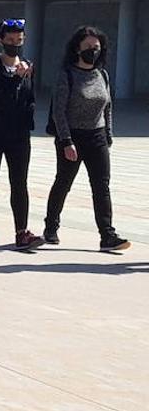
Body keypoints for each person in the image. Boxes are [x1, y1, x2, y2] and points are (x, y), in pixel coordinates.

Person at [44, 26, 129, 252]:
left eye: (97, 48)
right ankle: (51, 227)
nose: (93, 51)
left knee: (101, 186)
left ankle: (107, 235)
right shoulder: (68, 75)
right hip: (72, 137)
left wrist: (108, 136)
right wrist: (66, 141)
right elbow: (58, 112)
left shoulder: (102, 75)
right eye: (88, 47)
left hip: (97, 136)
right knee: (64, 182)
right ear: (77, 49)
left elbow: (107, 107)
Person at [0, 19, 43, 250]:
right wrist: (16, 78)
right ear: (0, 40)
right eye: (10, 40)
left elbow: (30, 98)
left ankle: (22, 232)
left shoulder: (27, 67)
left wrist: (28, 113)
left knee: (19, 182)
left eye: (19, 40)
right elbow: (0, 98)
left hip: (19, 134)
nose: (15, 44)